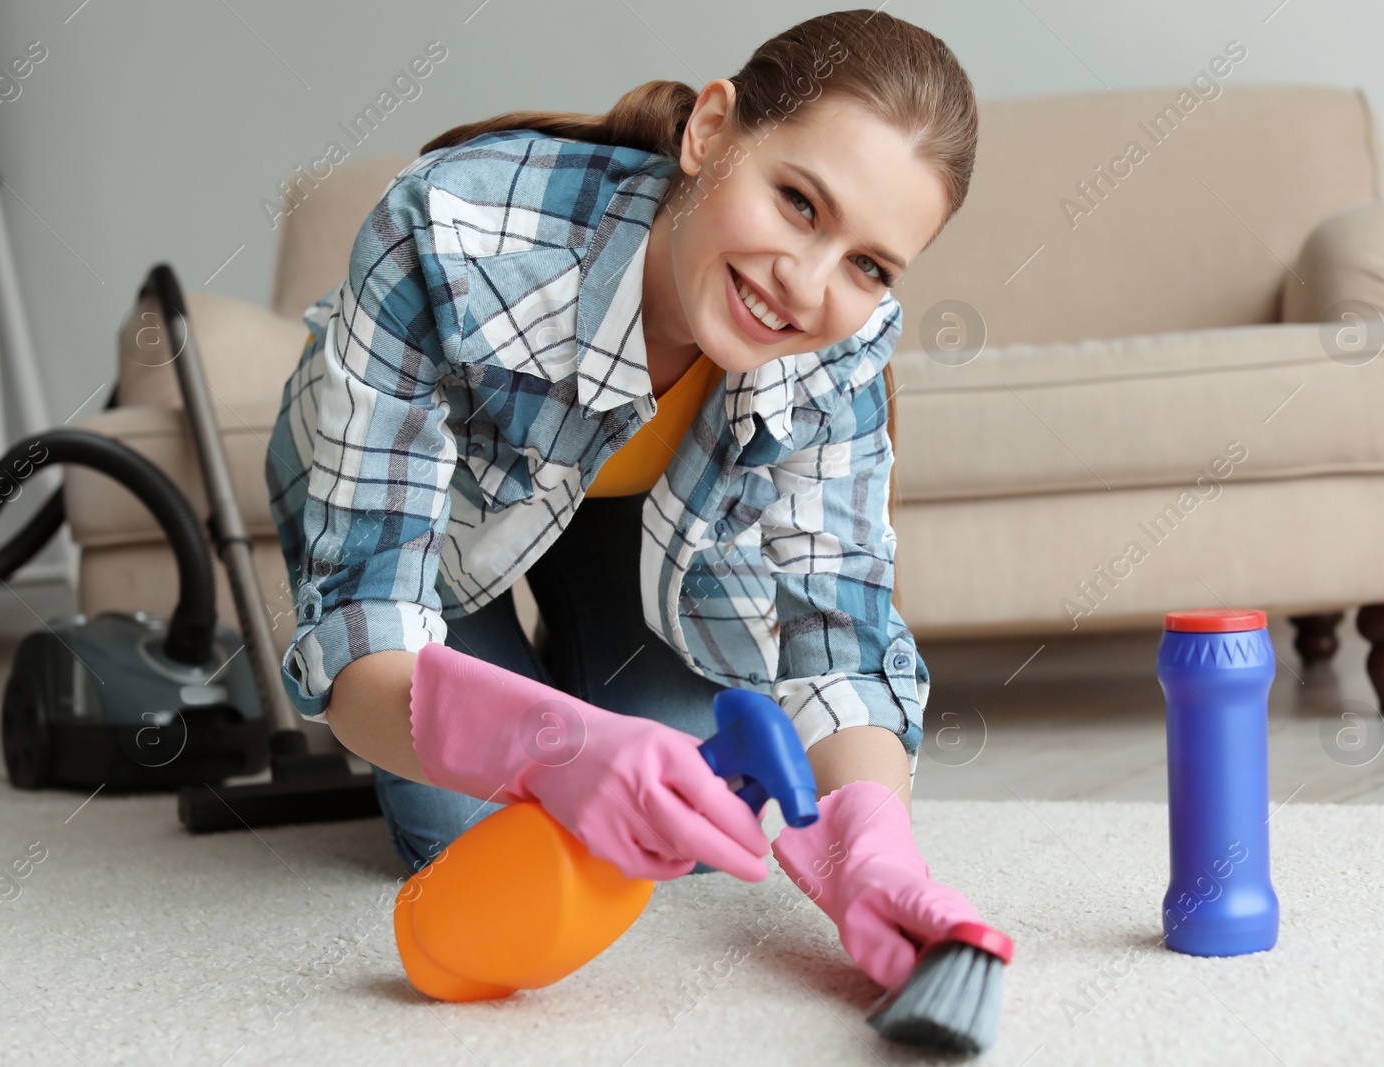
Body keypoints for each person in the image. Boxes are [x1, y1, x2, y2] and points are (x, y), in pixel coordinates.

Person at [265, 9, 990, 992]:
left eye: (868, 264)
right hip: (427, 521)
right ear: (712, 132)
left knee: (677, 820)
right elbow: (364, 649)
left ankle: (570, 675)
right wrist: (556, 744)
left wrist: (870, 844)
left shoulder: (843, 340)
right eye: (798, 203)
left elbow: (841, 637)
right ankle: (526, 686)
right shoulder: (448, 236)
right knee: (467, 830)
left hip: (628, 516)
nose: (806, 285)